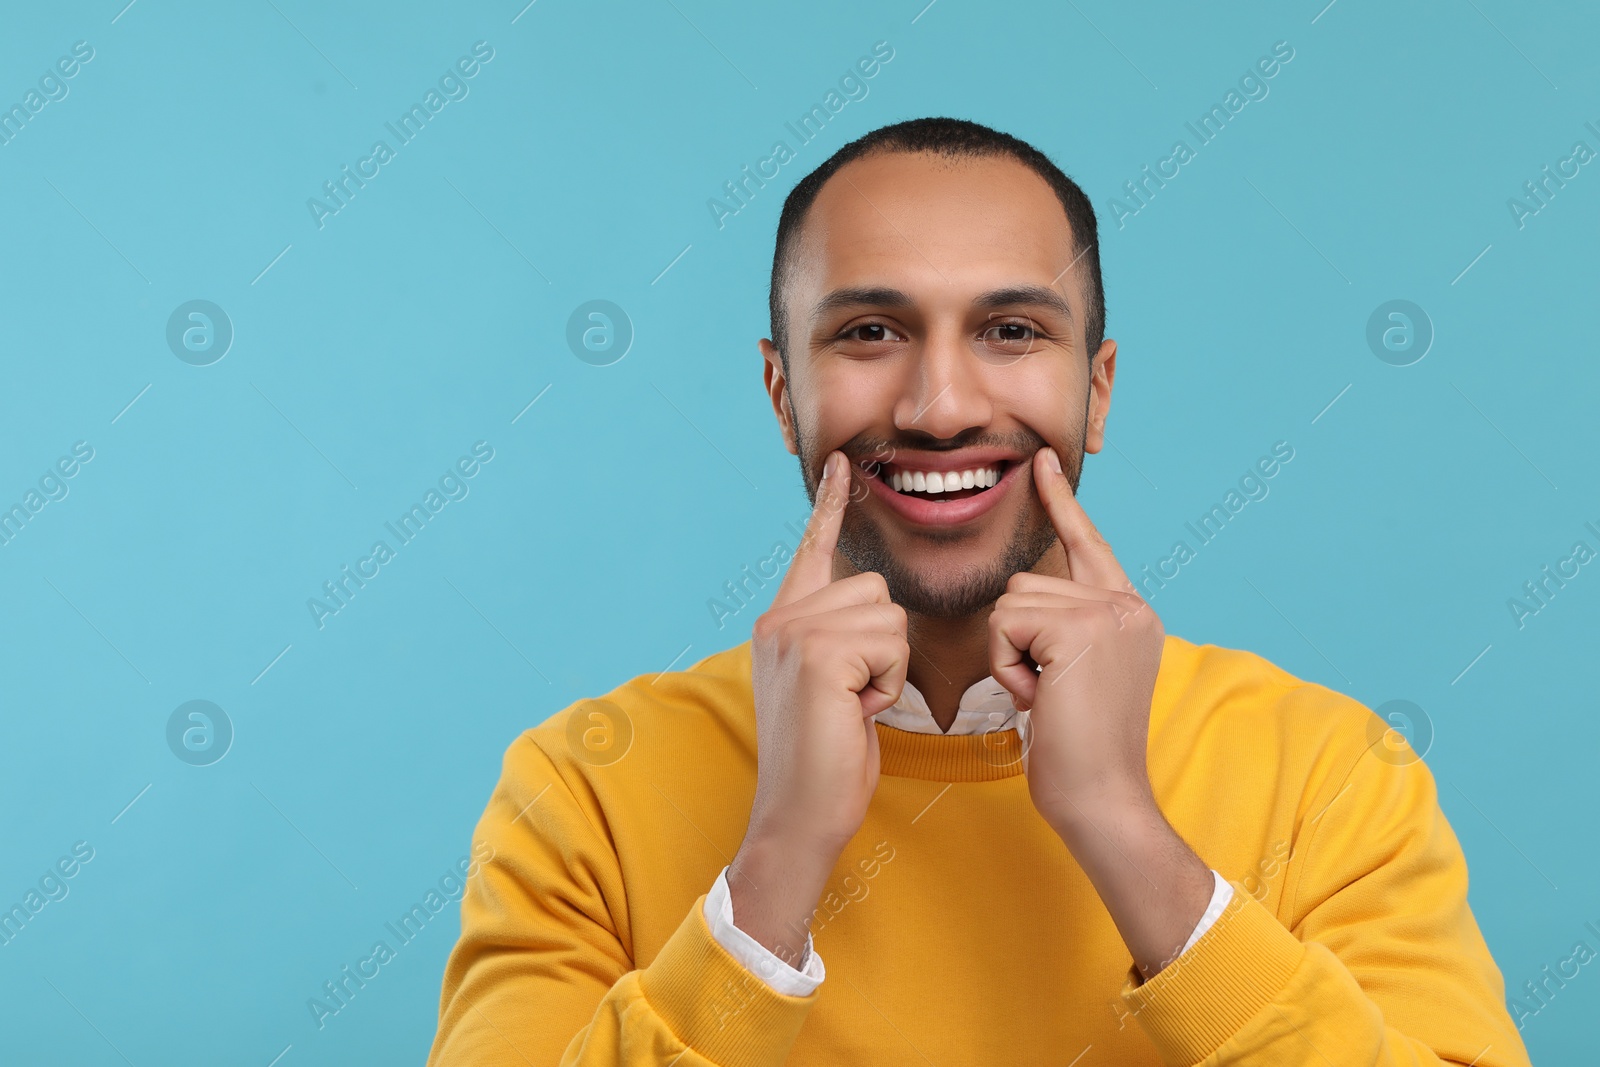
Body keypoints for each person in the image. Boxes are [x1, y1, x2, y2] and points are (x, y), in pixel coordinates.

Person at [424, 117, 1531, 1065]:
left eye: (1011, 331)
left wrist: (1121, 824)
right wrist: (779, 857)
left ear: (1095, 390)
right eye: (868, 332)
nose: (942, 405)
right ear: (781, 393)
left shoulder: (1330, 774)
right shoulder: (583, 789)